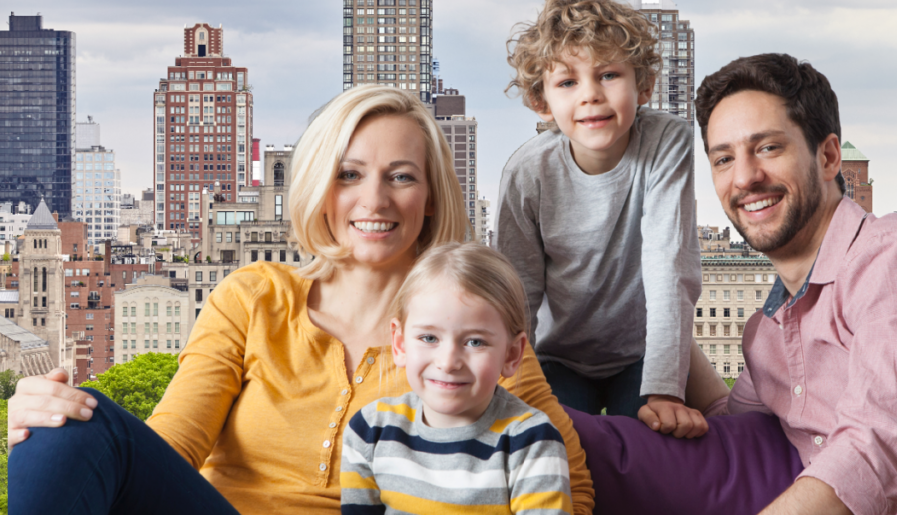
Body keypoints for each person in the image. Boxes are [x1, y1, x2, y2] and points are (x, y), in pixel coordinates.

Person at [8, 86, 595, 515]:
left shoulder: (470, 335)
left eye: (401, 177)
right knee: (66, 418)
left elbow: (572, 486)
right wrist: (60, 422)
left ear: (433, 197)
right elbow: (173, 445)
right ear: (317, 188)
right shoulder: (253, 297)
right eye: (348, 174)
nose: (375, 200)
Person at [684, 53, 897, 514]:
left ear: (828, 157)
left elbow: (875, 449)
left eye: (767, 148)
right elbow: (729, 426)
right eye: (723, 159)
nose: (744, 177)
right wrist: (647, 309)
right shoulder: (768, 336)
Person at [497, 0, 705, 438]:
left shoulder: (668, 142)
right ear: (541, 101)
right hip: (561, 356)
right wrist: (510, 388)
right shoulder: (526, 173)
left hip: (642, 354)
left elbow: (669, 262)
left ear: (644, 85)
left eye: (608, 74)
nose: (590, 95)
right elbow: (520, 292)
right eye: (568, 82)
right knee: (556, 444)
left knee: (655, 448)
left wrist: (665, 389)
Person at [341, 241, 572, 514]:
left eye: (475, 342)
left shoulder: (531, 441)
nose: (448, 363)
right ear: (400, 344)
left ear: (511, 355)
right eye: (429, 338)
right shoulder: (369, 431)